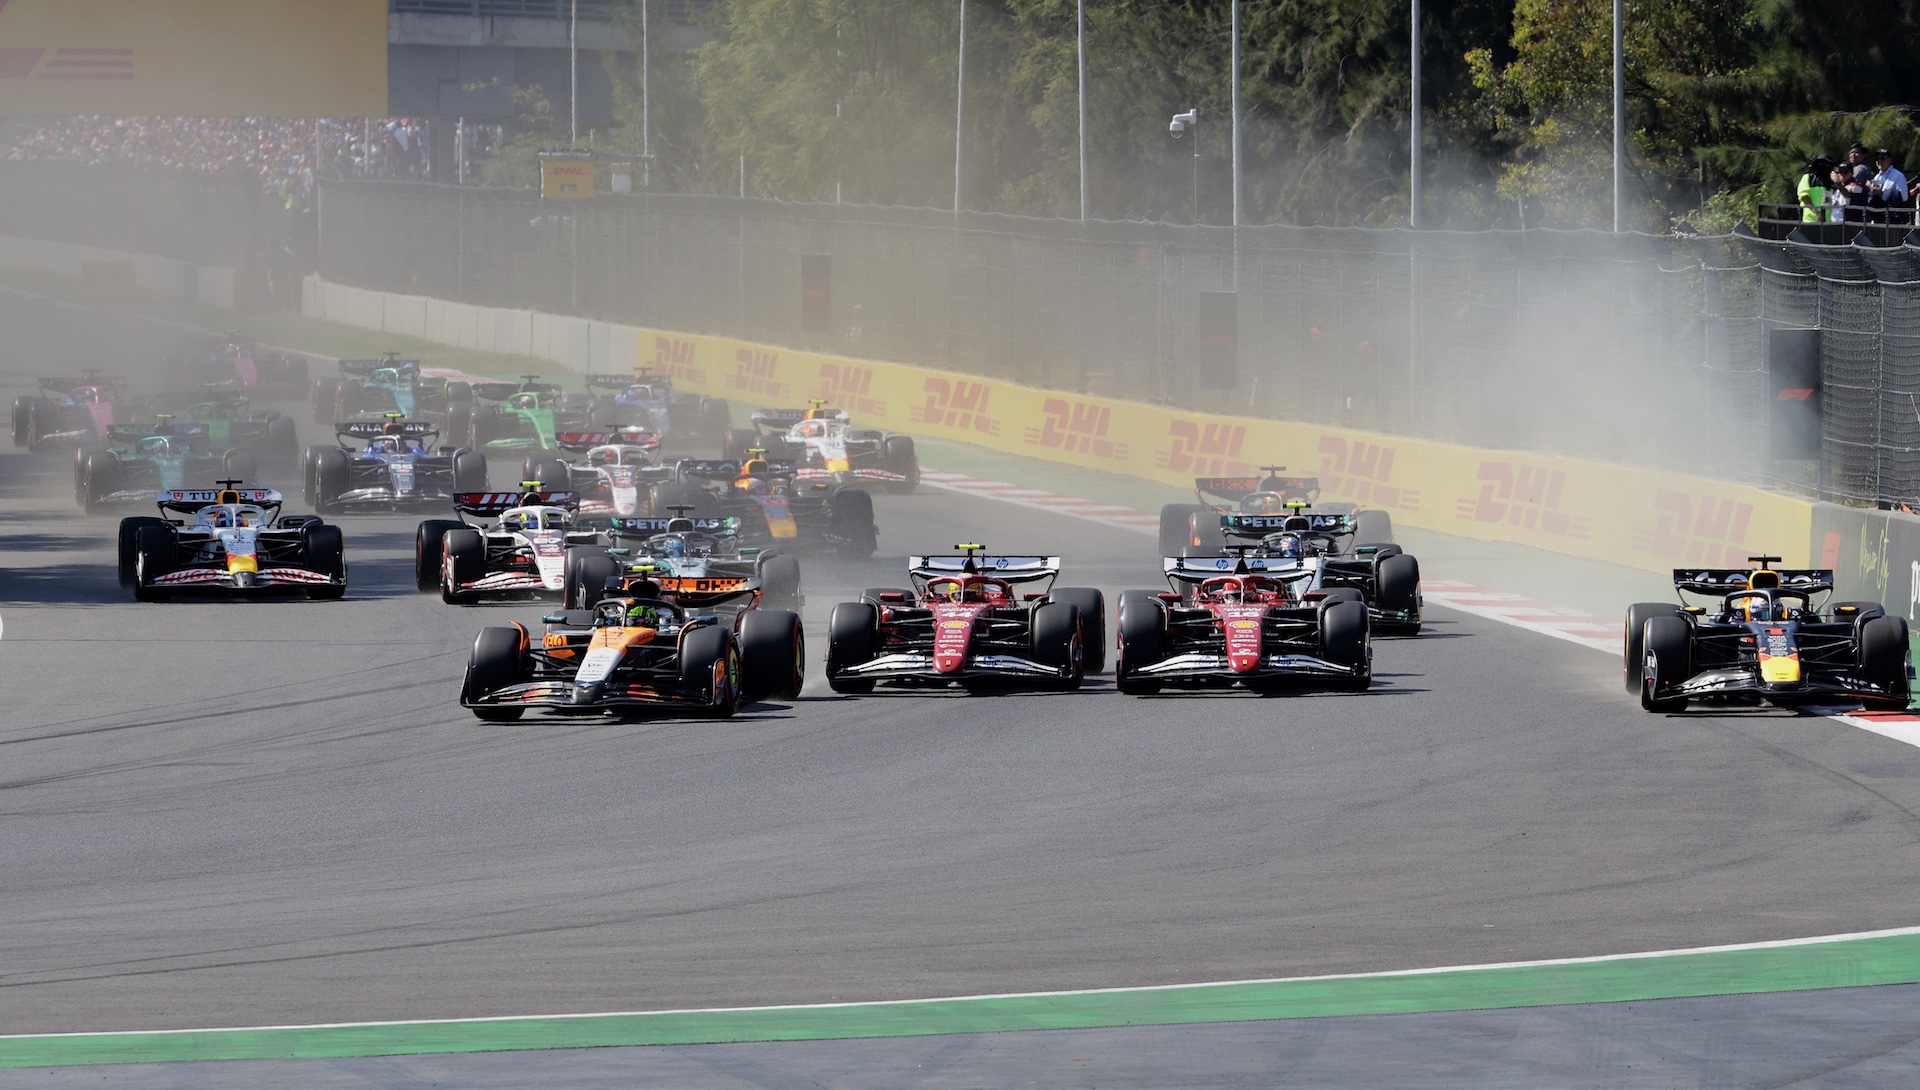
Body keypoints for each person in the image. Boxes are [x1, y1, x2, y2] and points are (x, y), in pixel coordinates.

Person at [1797, 156, 1833, 223]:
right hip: (1810, 220)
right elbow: (1804, 196)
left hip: (1828, 221)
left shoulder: (1832, 181)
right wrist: (1816, 212)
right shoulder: (1808, 177)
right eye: (1821, 163)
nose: (1823, 166)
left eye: (1826, 164)